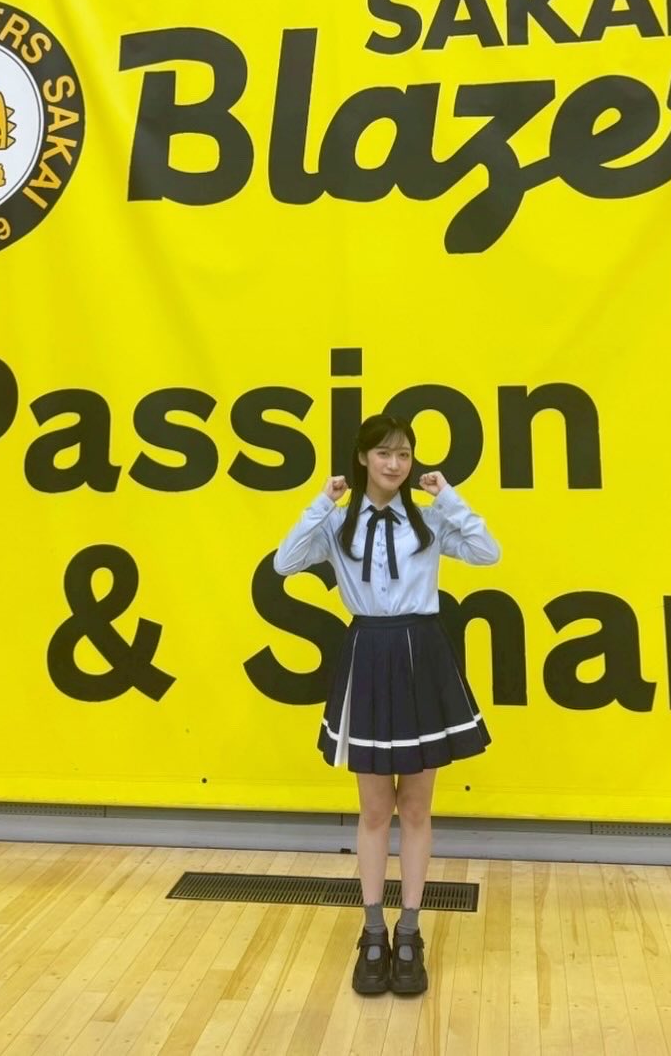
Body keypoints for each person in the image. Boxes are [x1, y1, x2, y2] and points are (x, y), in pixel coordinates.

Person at [274, 412, 501, 997]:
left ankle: (410, 931)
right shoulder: (337, 524)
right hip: (369, 651)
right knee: (375, 810)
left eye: (403, 454)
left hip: (422, 652)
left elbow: (487, 551)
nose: (395, 464)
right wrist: (322, 503)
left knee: (417, 808)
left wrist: (448, 496)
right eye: (383, 453)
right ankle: (372, 930)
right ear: (363, 458)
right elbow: (285, 562)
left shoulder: (428, 521)